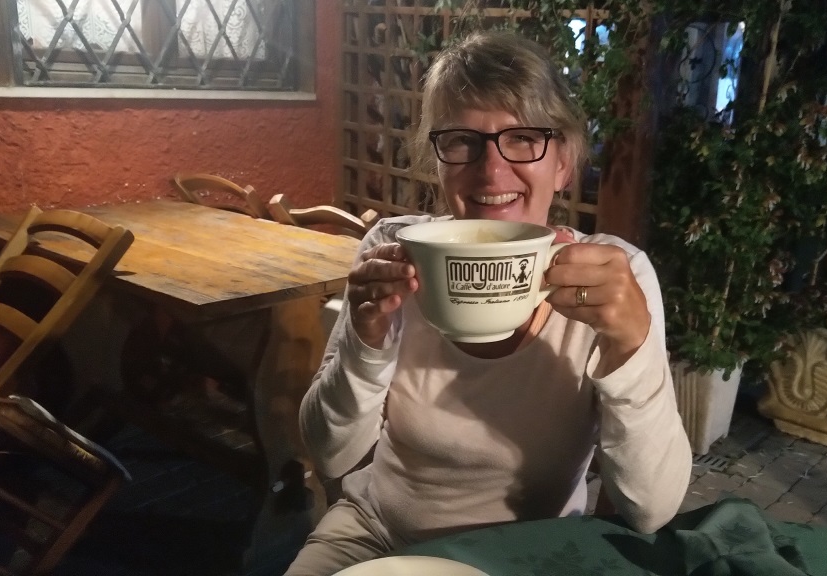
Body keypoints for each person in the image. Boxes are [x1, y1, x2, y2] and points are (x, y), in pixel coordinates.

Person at [284, 30, 692, 576]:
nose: (492, 171)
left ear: (564, 163)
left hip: (531, 557)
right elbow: (329, 455)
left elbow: (651, 510)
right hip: (377, 536)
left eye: (523, 138)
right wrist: (366, 344)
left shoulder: (616, 278)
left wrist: (632, 350)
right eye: (461, 141)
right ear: (438, 162)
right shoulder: (394, 250)